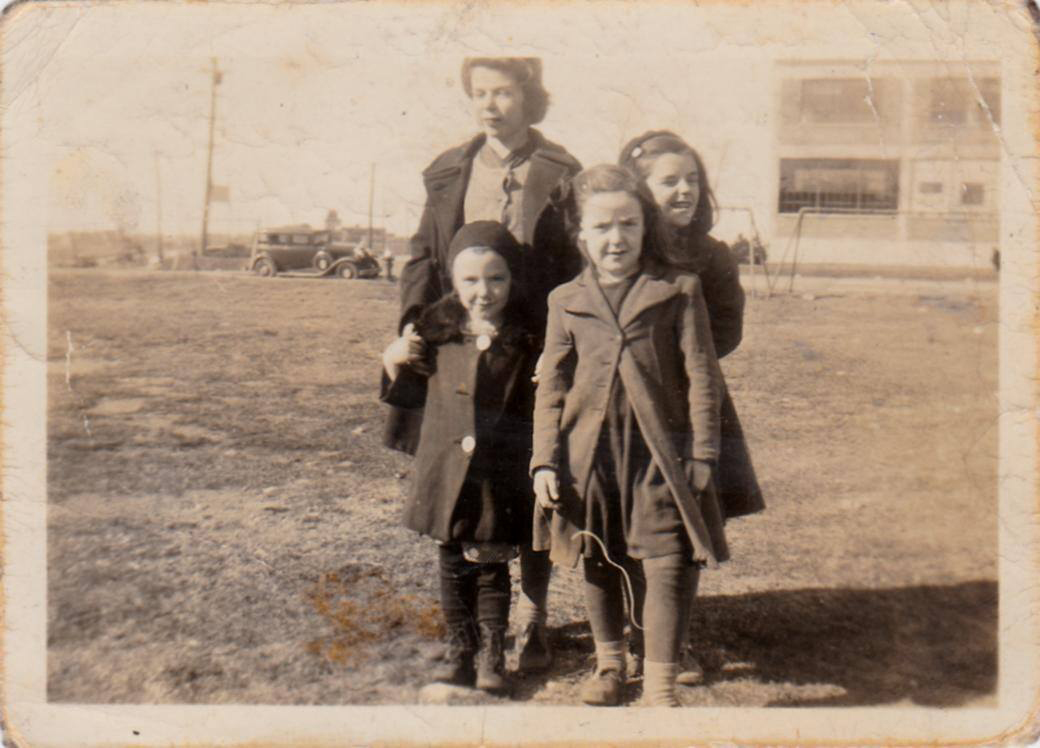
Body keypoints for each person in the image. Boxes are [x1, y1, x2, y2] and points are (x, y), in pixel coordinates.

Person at [388, 57, 582, 673]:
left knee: (532, 485)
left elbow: (575, 265)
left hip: (536, 347)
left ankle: (532, 619)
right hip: (466, 344)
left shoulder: (561, 172)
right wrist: (411, 331)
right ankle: (477, 636)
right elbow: (423, 257)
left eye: (504, 92)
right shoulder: (452, 169)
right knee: (475, 485)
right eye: (480, 94)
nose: (491, 105)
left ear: (530, 98)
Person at [531, 164, 729, 707]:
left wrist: (703, 453)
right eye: (601, 227)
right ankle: (610, 663)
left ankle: (661, 688)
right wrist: (544, 462)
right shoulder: (564, 299)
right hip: (587, 457)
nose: (615, 238)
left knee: (667, 561)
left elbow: (702, 376)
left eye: (628, 225)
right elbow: (551, 386)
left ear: (646, 228)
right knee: (596, 554)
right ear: (581, 235)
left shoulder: (678, 290)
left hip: (658, 457)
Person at [618, 131, 765, 684]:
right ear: (639, 189)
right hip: (626, 403)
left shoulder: (711, 255)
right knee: (633, 516)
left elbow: (727, 330)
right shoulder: (623, 245)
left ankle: (673, 642)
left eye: (692, 179)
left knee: (687, 521)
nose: (683, 190)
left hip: (694, 403)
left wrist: (682, 357)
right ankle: (636, 636)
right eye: (668, 180)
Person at [381, 221, 539, 694]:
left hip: (498, 473)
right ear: (452, 279)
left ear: (514, 280)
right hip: (446, 470)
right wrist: (393, 360)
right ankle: (459, 649)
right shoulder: (435, 330)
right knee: (452, 562)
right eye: (470, 280)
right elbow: (408, 394)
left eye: (497, 279)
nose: (484, 291)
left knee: (491, 565)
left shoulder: (525, 337)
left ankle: (492, 656)